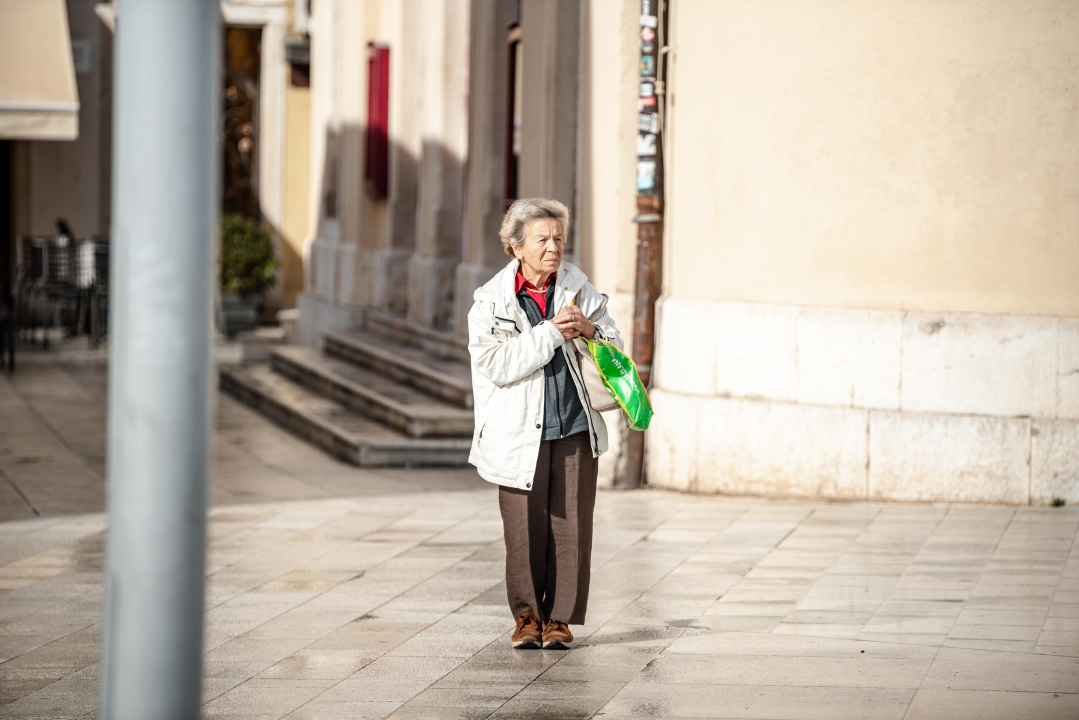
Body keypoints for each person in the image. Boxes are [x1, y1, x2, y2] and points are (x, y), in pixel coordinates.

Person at [466, 197, 623, 649]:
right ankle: (527, 617)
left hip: (574, 424)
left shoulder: (579, 287)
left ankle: (560, 619)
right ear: (516, 247)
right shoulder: (490, 301)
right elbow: (497, 364)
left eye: (558, 238)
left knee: (572, 527)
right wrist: (553, 331)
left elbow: (615, 342)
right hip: (518, 433)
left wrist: (591, 331)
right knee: (524, 530)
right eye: (542, 240)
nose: (553, 248)